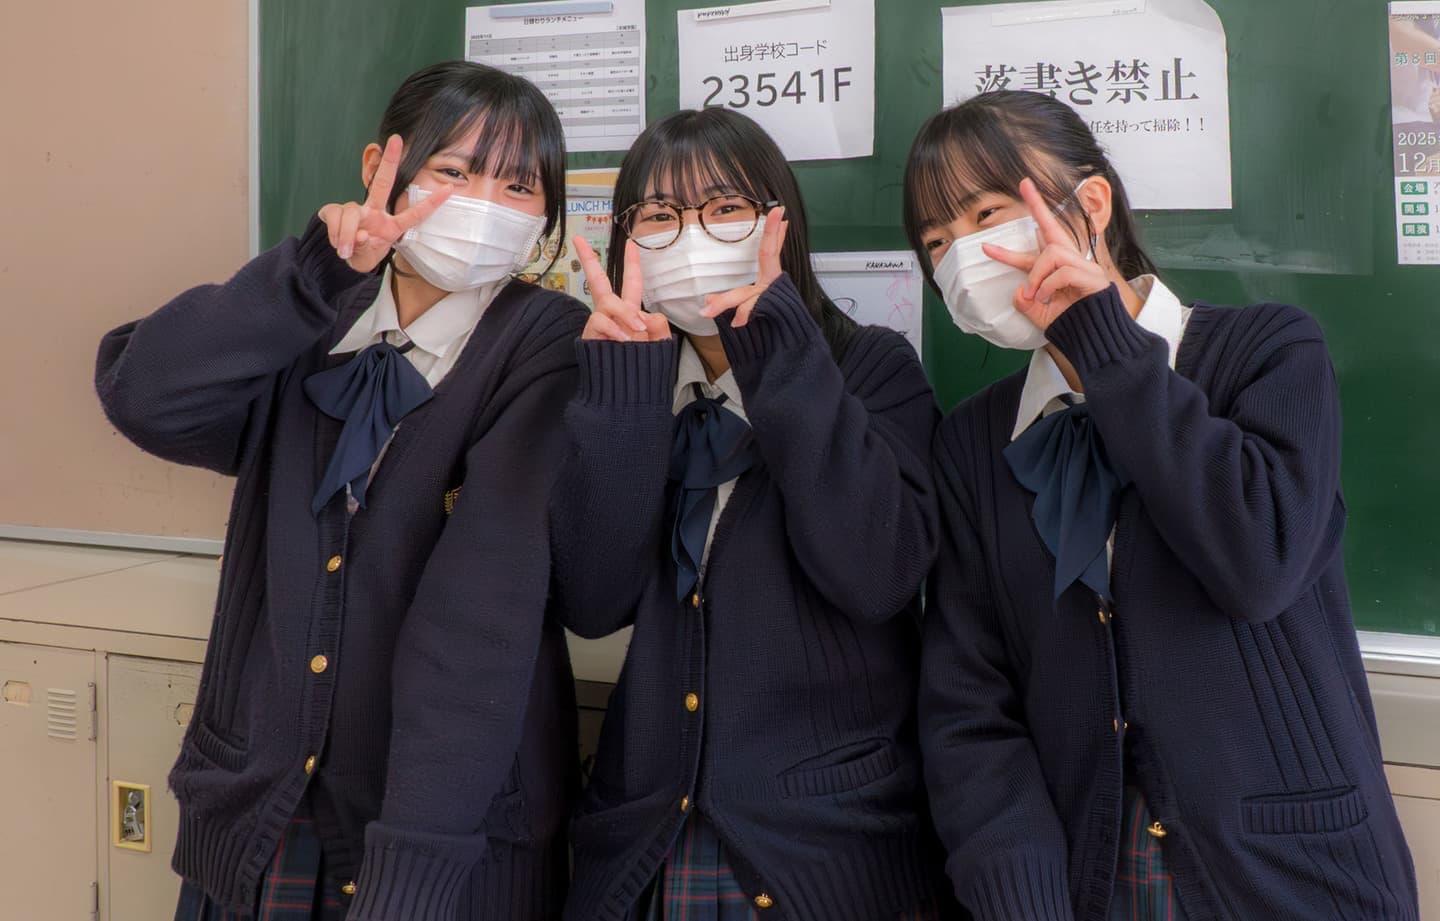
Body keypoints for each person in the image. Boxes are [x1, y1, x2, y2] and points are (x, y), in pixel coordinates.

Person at [907, 89, 1419, 921]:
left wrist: (1105, 346)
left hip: (1295, 877)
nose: (963, 254)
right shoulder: (974, 442)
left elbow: (1257, 563)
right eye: (936, 242)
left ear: (1091, 204)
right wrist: (1022, 896)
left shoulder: (1270, 352)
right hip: (1084, 883)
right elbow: (970, 705)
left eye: (987, 213)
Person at [95, 61, 587, 921]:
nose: (485, 204)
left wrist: (412, 868)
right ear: (379, 168)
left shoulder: (546, 342)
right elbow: (145, 396)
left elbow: (480, 619)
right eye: (454, 170)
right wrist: (312, 273)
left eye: (519, 186)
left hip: (437, 833)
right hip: (258, 810)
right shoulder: (312, 309)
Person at [552, 107, 950, 920]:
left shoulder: (870, 366)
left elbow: (879, 574)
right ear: (628, 242)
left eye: (725, 208)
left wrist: (776, 350)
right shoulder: (632, 387)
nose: (692, 235)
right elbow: (592, 601)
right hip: (644, 838)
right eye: (659, 215)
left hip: (827, 846)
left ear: (778, 223)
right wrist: (625, 393)